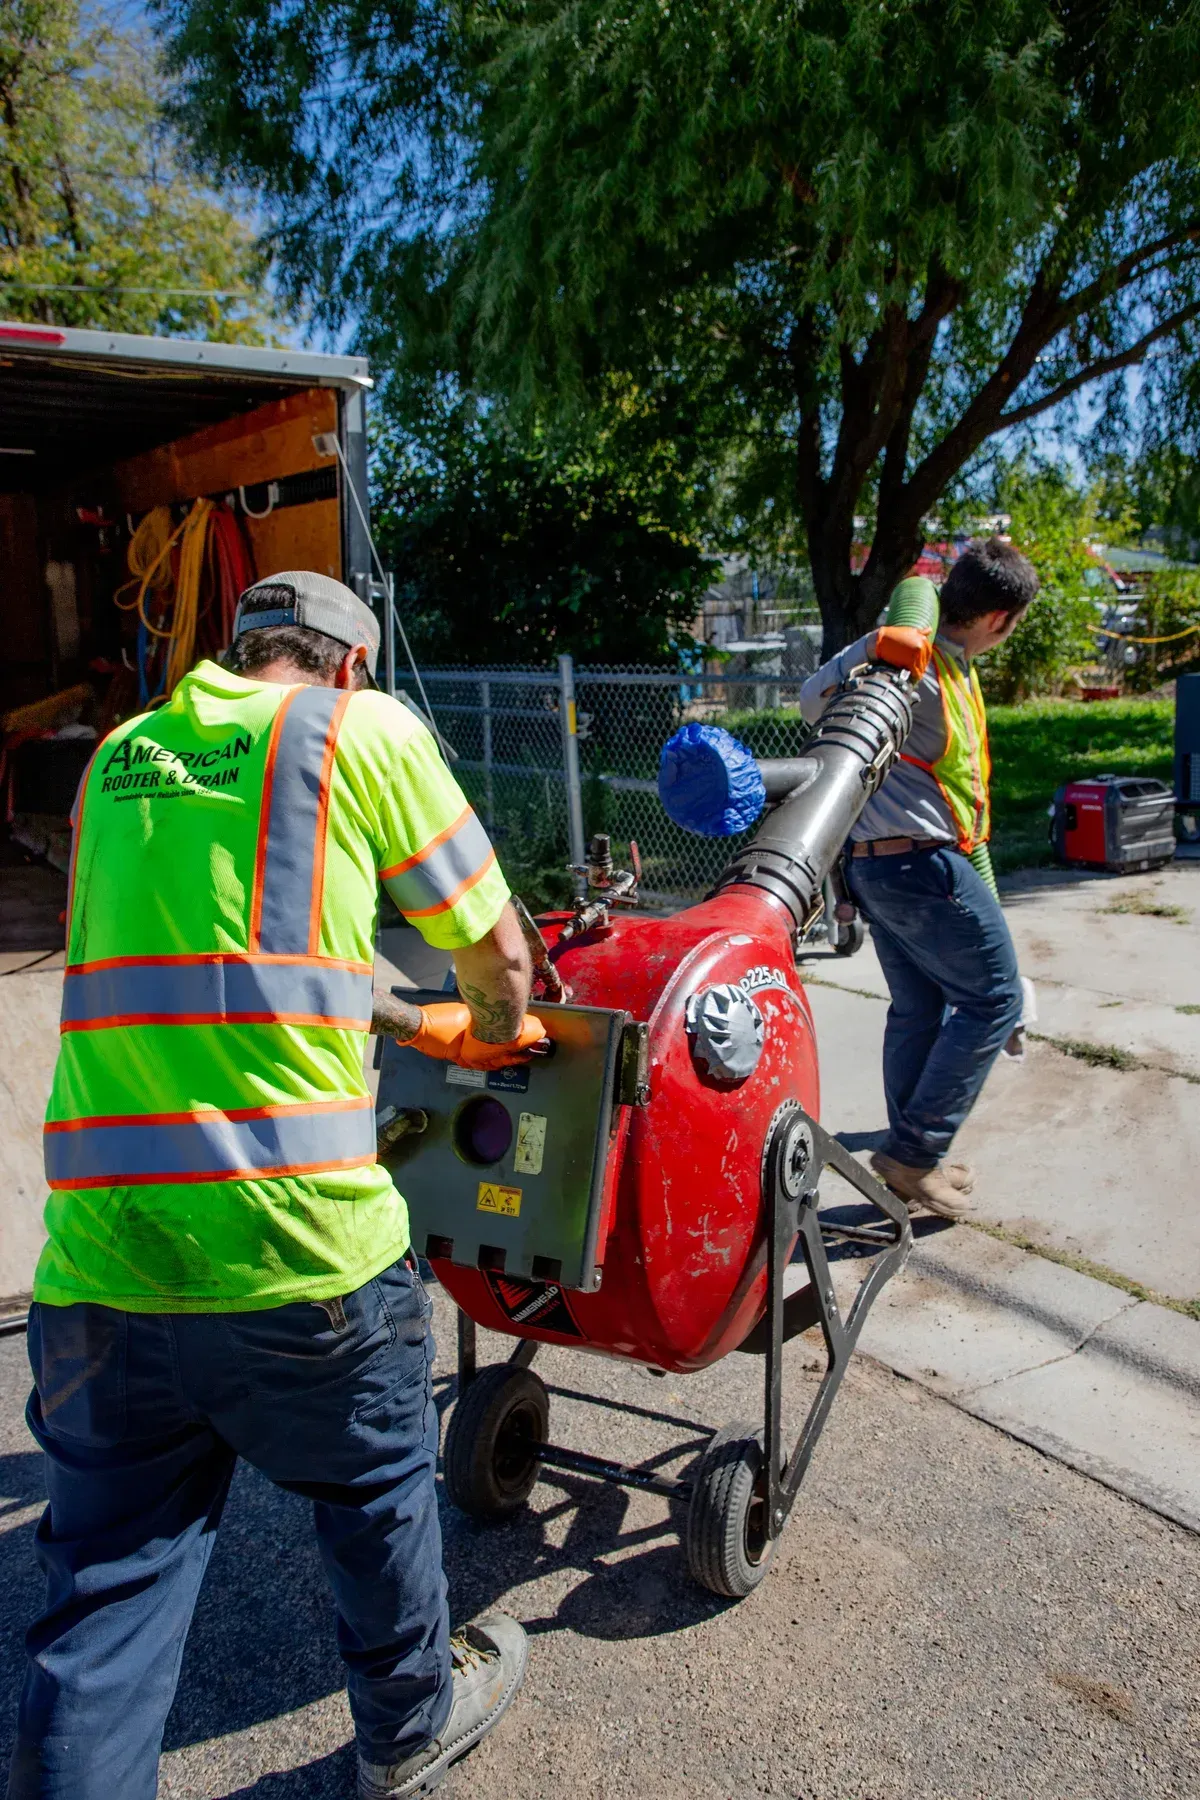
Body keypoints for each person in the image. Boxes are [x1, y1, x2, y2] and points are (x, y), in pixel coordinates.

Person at [9, 572, 545, 1800]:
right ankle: (408, 1725)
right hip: (296, 1249)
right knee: (374, 1488)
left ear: (238, 652)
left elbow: (246, 964)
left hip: (103, 1259)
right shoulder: (361, 731)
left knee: (107, 1591)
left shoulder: (122, 759)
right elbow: (502, 951)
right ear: (351, 665)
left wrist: (416, 1023)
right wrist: (496, 1026)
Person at [800, 537, 1038, 1221]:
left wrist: (883, 635)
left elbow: (813, 699)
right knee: (992, 999)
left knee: (919, 1008)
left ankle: (911, 1156)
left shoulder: (922, 661)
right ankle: (915, 1152)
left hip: (875, 867)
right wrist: (890, 632)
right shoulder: (923, 665)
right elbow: (812, 701)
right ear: (999, 619)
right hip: (924, 867)